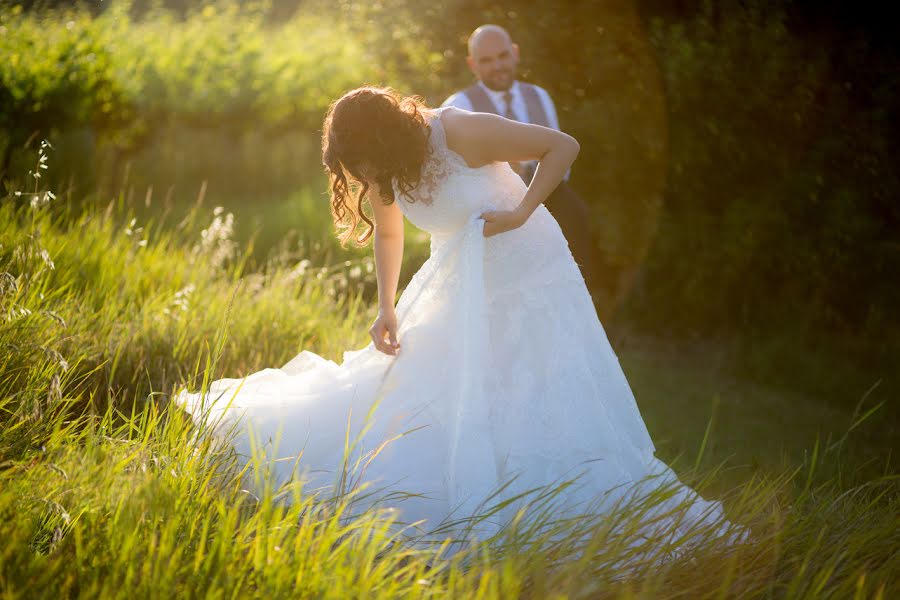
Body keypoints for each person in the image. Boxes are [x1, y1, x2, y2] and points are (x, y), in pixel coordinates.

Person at [176, 86, 735, 545]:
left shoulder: (459, 130)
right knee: (418, 386)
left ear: (388, 135)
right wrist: (386, 305)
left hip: (530, 268)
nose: (365, 175)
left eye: (367, 161)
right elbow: (390, 231)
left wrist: (520, 211)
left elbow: (562, 146)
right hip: (460, 276)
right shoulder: (385, 164)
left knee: (536, 388)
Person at [442, 24, 601, 296]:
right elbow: (457, 175)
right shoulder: (459, 106)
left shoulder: (539, 96)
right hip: (492, 204)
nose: (498, 66)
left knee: (576, 220)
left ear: (515, 53)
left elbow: (562, 163)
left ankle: (585, 298)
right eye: (486, 60)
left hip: (548, 196)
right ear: (472, 65)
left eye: (503, 56)